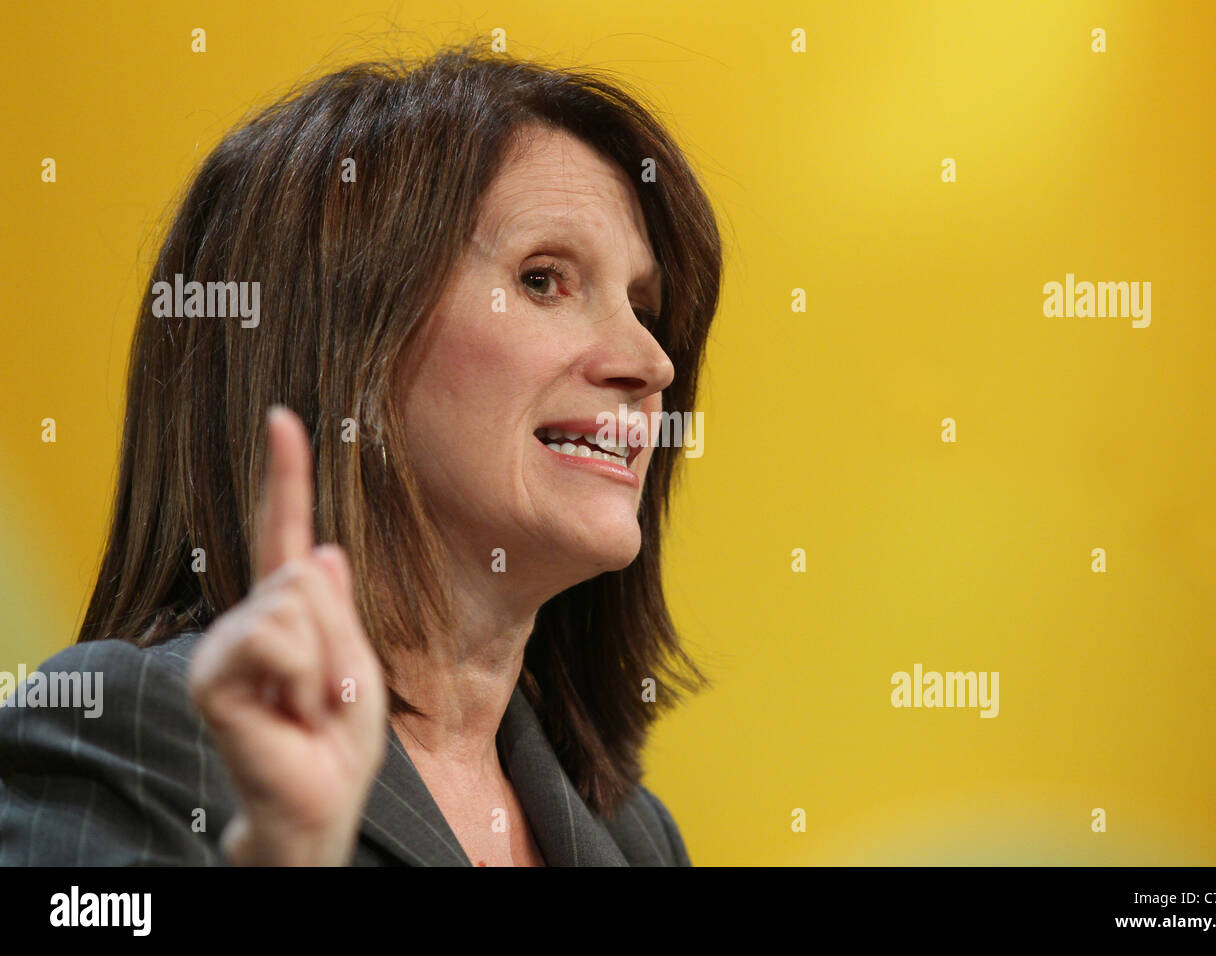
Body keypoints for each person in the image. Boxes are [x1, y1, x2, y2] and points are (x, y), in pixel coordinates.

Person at [0, 39, 722, 866]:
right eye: (543, 279)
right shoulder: (137, 731)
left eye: (644, 304)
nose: (651, 362)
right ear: (342, 349)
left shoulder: (635, 836)